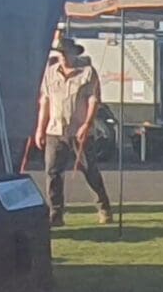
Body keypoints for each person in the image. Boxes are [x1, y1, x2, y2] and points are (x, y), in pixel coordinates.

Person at [31, 30, 116, 226]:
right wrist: (39, 129)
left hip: (79, 132)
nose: (62, 57)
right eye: (60, 54)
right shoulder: (50, 74)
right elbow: (44, 101)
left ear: (73, 54)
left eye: (65, 53)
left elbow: (94, 100)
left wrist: (87, 125)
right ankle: (56, 213)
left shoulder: (87, 73)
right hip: (55, 130)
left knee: (90, 170)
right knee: (52, 172)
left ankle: (104, 207)